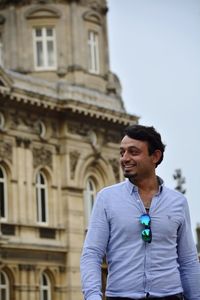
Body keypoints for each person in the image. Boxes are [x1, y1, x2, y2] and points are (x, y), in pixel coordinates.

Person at [80, 124, 200, 300]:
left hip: (170, 296)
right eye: (122, 152)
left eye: (133, 152)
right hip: (121, 296)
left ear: (155, 156)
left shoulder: (178, 203)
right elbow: (91, 254)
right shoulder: (106, 199)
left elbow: (188, 261)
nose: (124, 158)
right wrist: (92, 297)